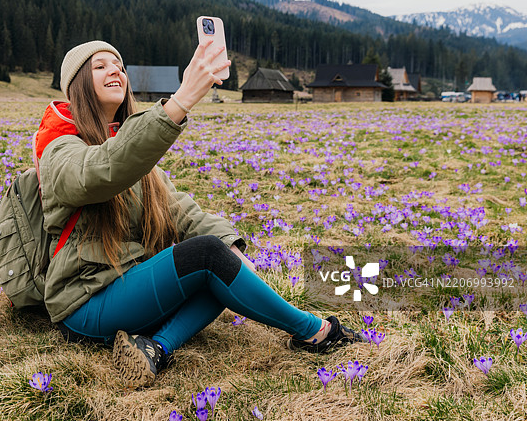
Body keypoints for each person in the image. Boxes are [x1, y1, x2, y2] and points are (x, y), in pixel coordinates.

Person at [35, 40, 364, 389]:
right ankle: (315, 331)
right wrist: (179, 102)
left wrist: (231, 248)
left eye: (118, 64)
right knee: (207, 257)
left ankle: (156, 348)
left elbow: (181, 210)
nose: (115, 70)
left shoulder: (126, 141)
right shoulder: (59, 146)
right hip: (86, 303)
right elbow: (99, 171)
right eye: (99, 66)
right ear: (78, 85)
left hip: (128, 287)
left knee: (221, 267)